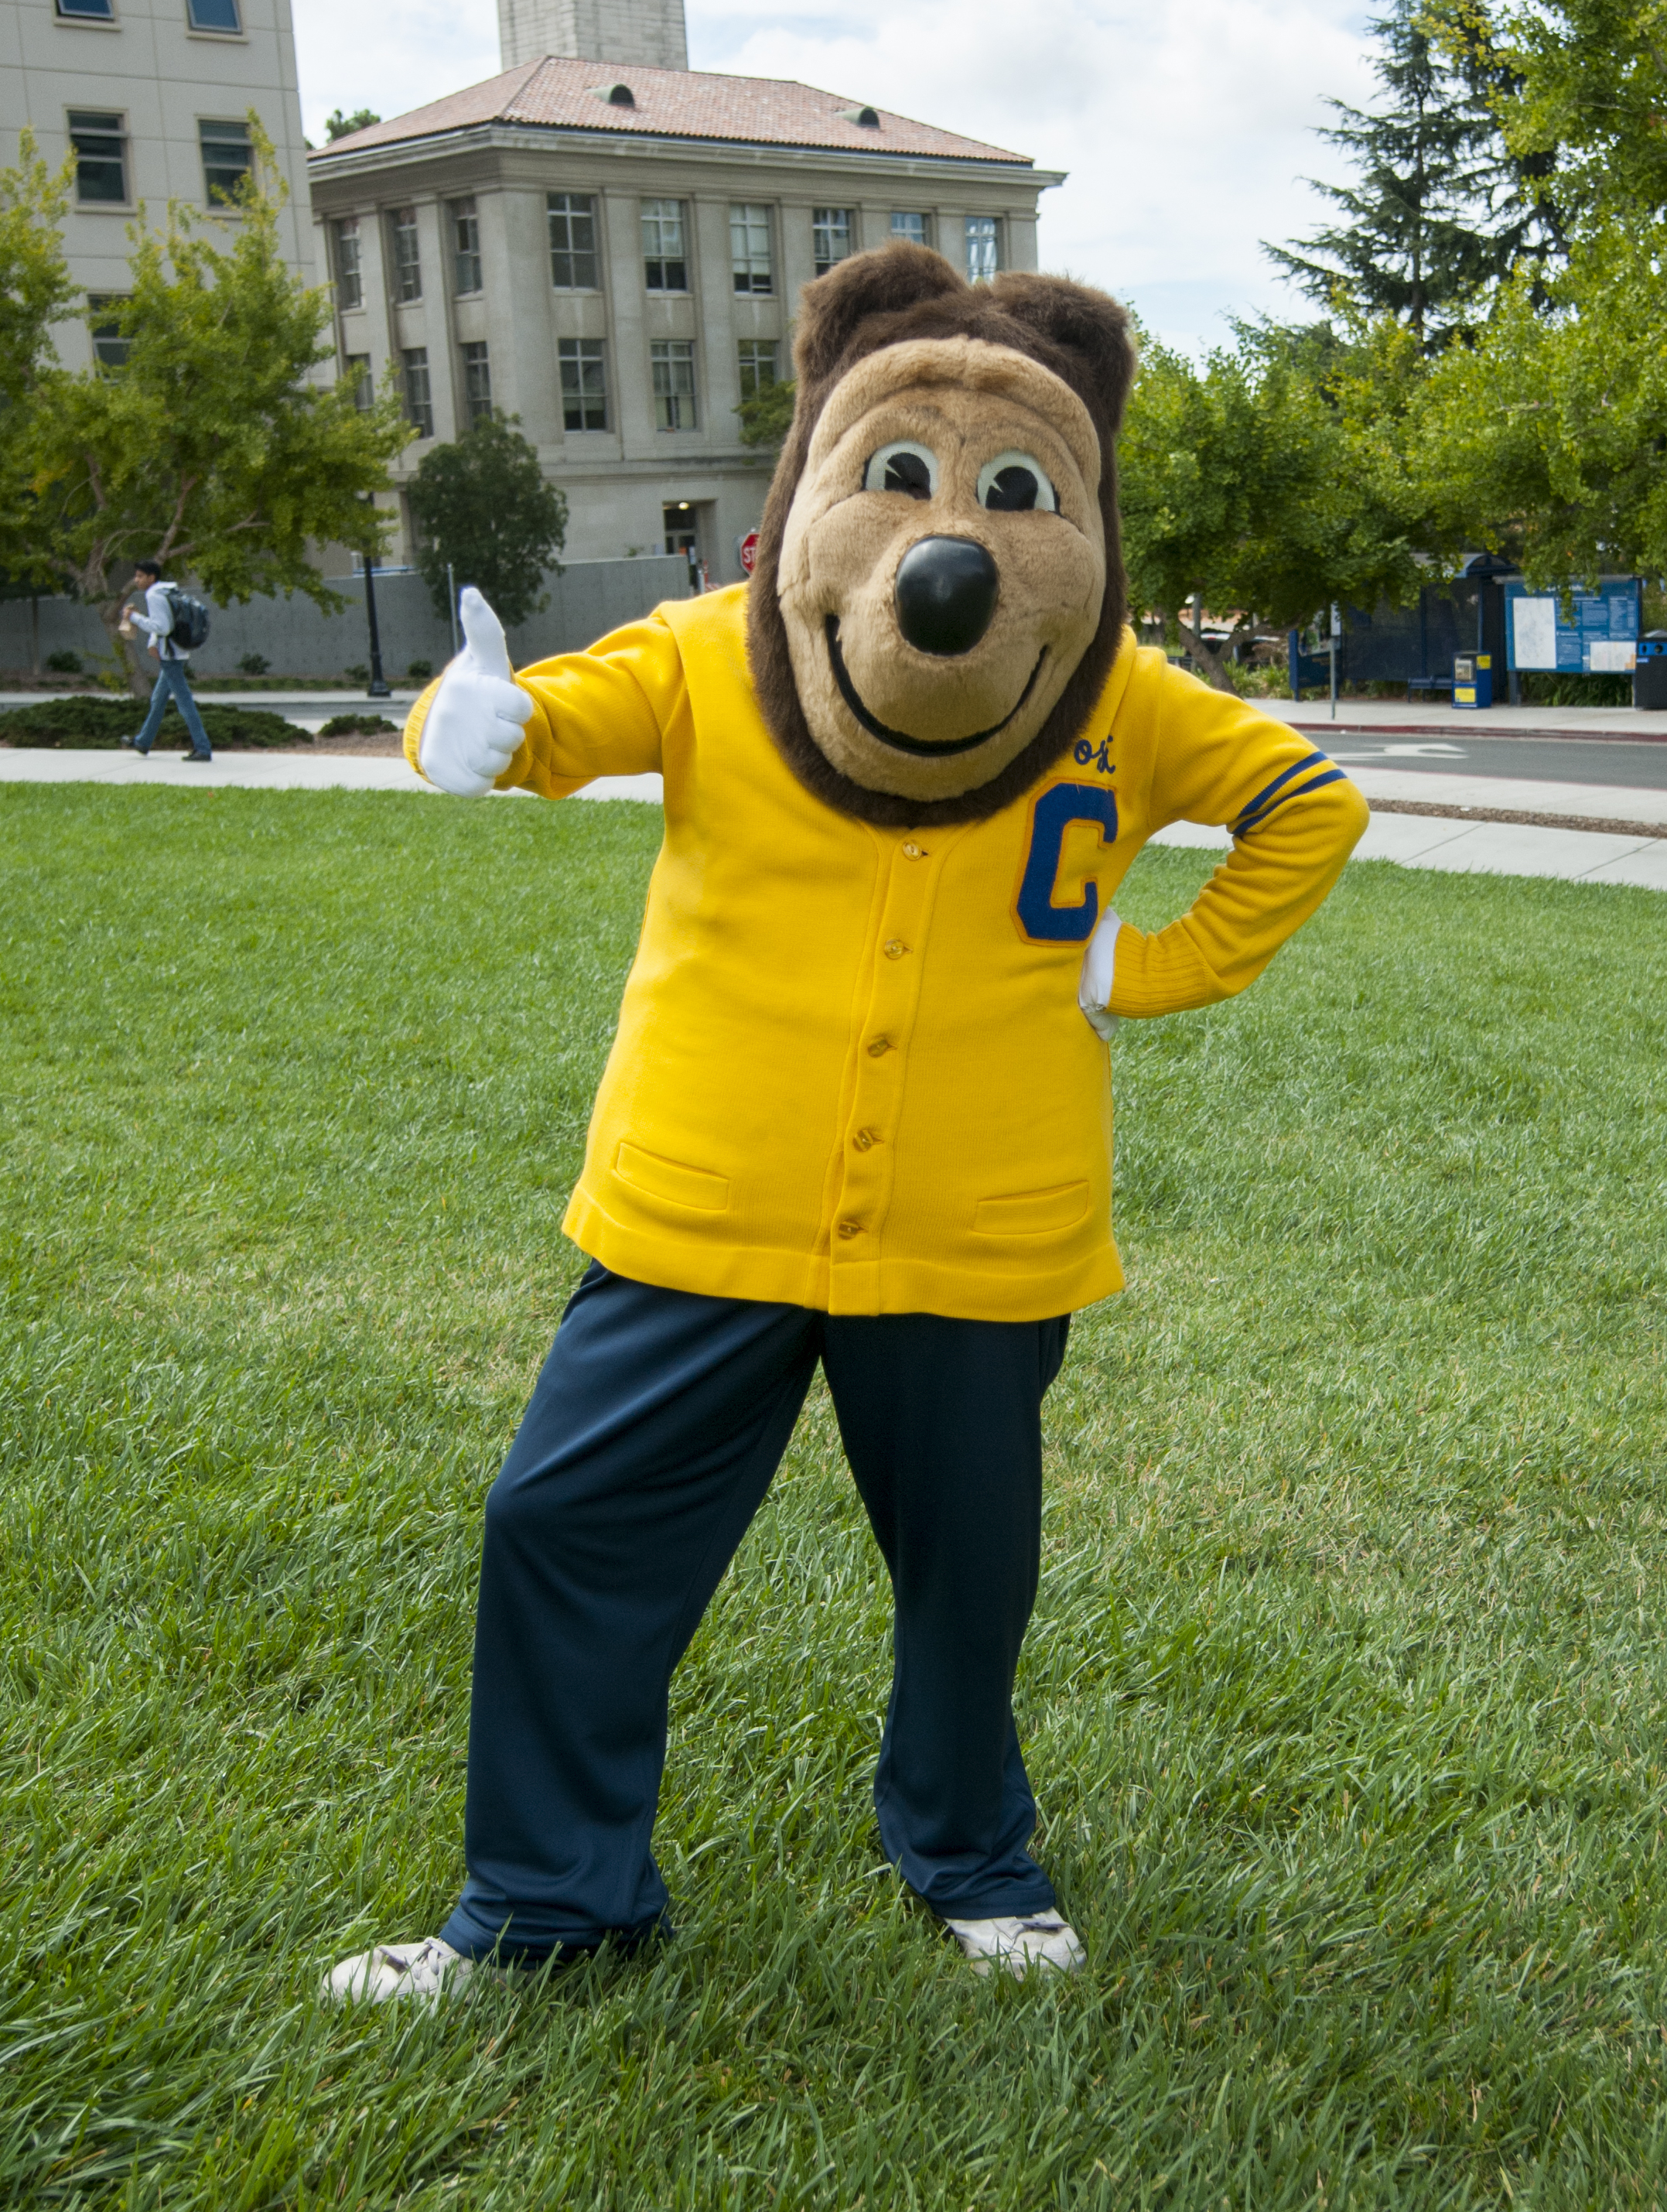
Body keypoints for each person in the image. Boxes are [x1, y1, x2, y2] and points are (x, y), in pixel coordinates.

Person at [319, 246, 1367, 2006]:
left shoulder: (1120, 700)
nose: (940, 531)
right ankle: (548, 1897)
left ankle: (964, 1845)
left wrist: (1161, 964)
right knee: (562, 1521)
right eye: (894, 474)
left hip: (981, 1218)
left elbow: (1304, 802)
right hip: (702, 1204)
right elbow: (550, 720)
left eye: (1012, 490)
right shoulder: (711, 660)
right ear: (813, 476)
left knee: (969, 1564)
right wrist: (461, 715)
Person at [121, 562, 213, 761]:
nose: (136, 580)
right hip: (175, 652)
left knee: (185, 702)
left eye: (140, 576)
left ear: (151, 578)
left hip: (170, 655)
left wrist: (135, 618)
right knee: (158, 700)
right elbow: (169, 622)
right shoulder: (168, 591)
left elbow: (162, 627)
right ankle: (143, 742)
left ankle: (203, 748)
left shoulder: (154, 595)